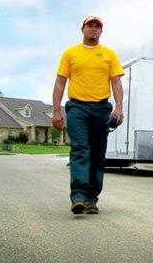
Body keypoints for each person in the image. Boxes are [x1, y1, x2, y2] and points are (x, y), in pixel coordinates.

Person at [52, 16, 124, 215]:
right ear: (82, 29)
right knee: (81, 150)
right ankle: (78, 196)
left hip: (101, 109)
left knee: (97, 154)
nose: (93, 29)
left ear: (101, 31)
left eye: (97, 27)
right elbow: (60, 82)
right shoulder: (70, 53)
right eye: (90, 26)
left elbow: (116, 82)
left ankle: (92, 198)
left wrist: (118, 108)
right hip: (77, 108)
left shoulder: (109, 54)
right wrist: (56, 110)